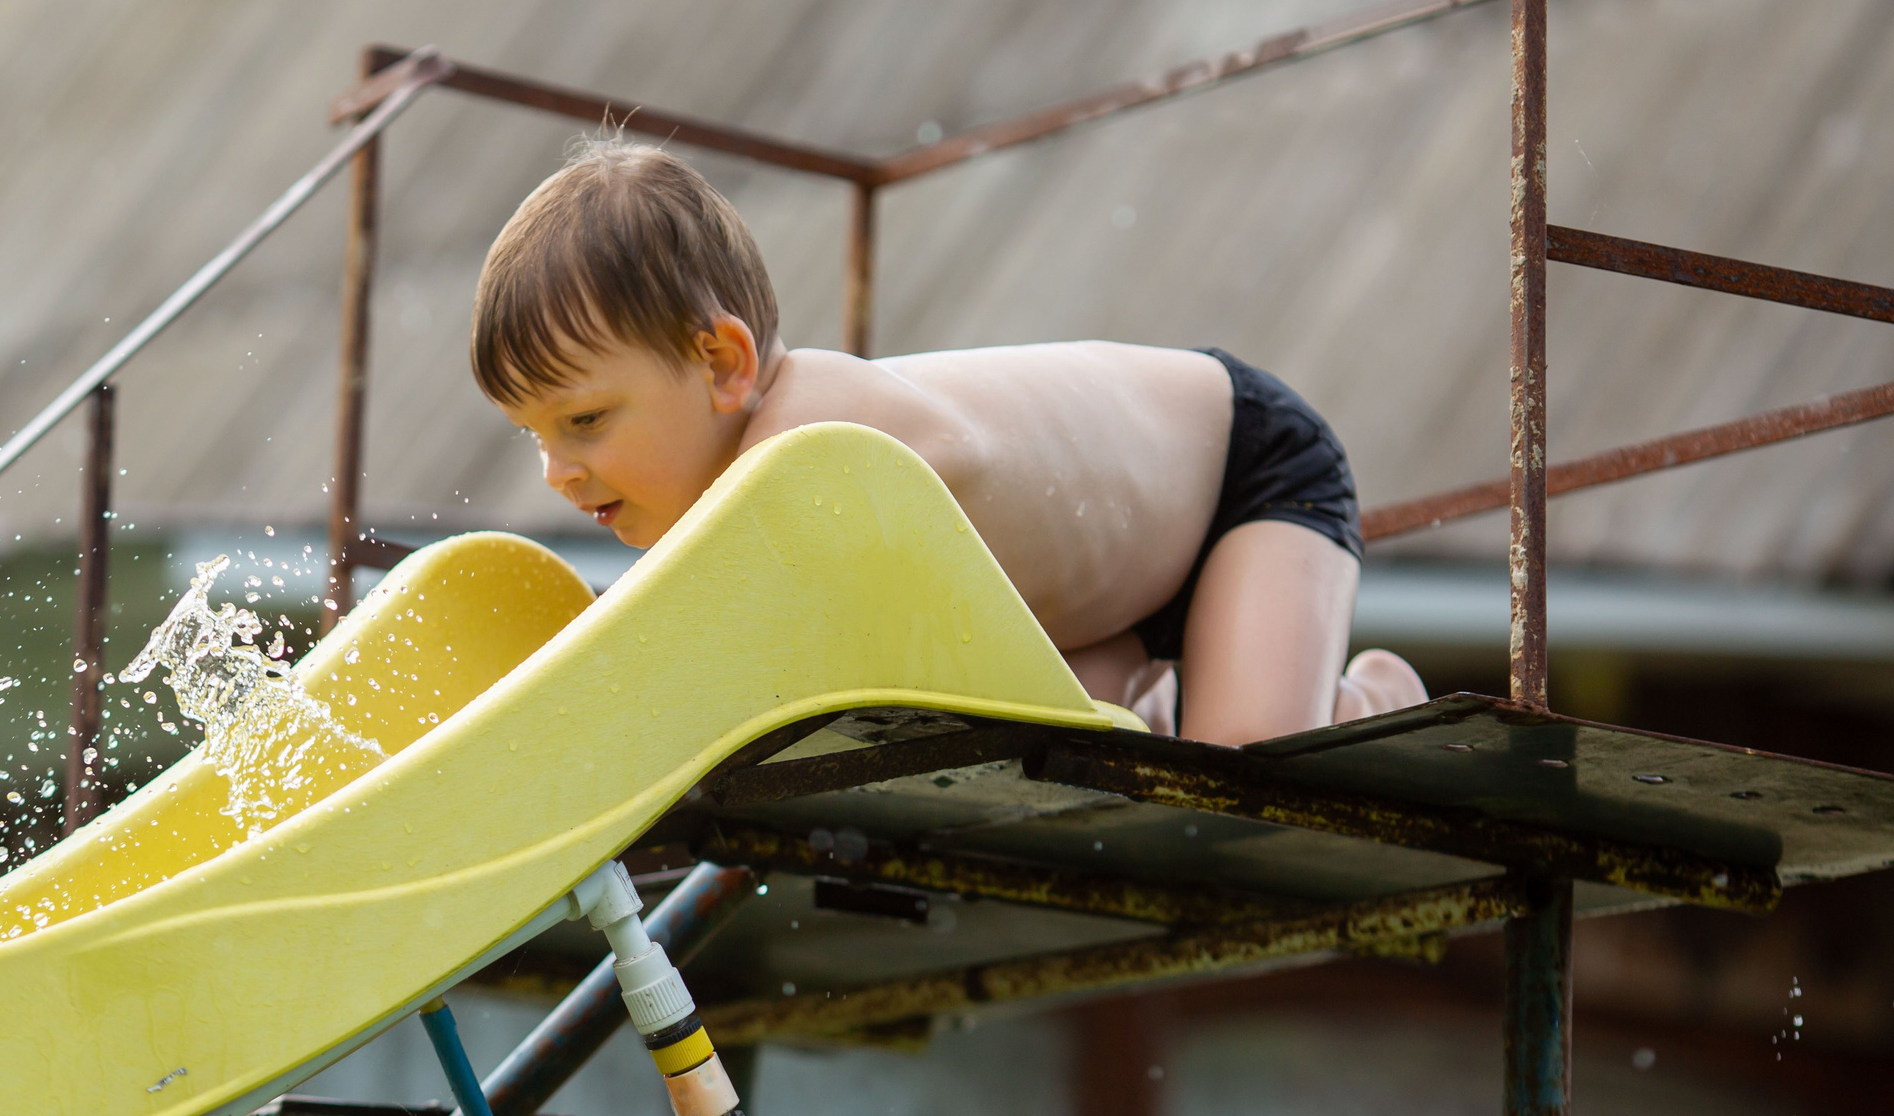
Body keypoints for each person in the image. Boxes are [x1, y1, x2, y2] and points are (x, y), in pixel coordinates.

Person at [469, 140, 1427, 745]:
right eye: (534, 434)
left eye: (585, 420)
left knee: (1249, 774)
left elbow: (683, 620)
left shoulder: (819, 428)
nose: (556, 470)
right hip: (1099, 607)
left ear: (723, 362)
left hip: (1238, 479)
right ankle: (1164, 681)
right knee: (1049, 757)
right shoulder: (750, 507)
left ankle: (1366, 700)